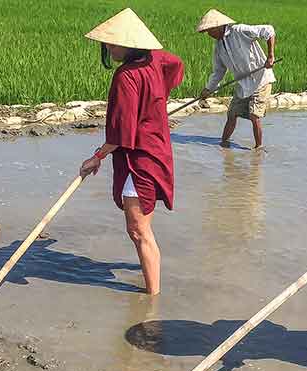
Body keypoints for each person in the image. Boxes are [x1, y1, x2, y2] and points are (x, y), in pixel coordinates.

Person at [79, 8, 184, 296]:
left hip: (141, 160)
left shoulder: (127, 76)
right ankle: (152, 285)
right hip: (156, 151)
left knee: (138, 230)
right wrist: (157, 99)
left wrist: (96, 157)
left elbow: (121, 132)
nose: (109, 47)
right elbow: (177, 64)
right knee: (141, 228)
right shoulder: (155, 59)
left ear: (131, 43)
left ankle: (152, 301)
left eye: (113, 43)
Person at [197, 9, 276, 149]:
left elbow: (269, 30)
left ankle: (258, 149)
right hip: (243, 83)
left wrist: (270, 56)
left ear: (218, 26)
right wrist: (209, 89)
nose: (209, 34)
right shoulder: (219, 47)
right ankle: (223, 144)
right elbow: (218, 72)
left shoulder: (240, 31)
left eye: (210, 31)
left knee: (254, 115)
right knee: (232, 114)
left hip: (261, 79)